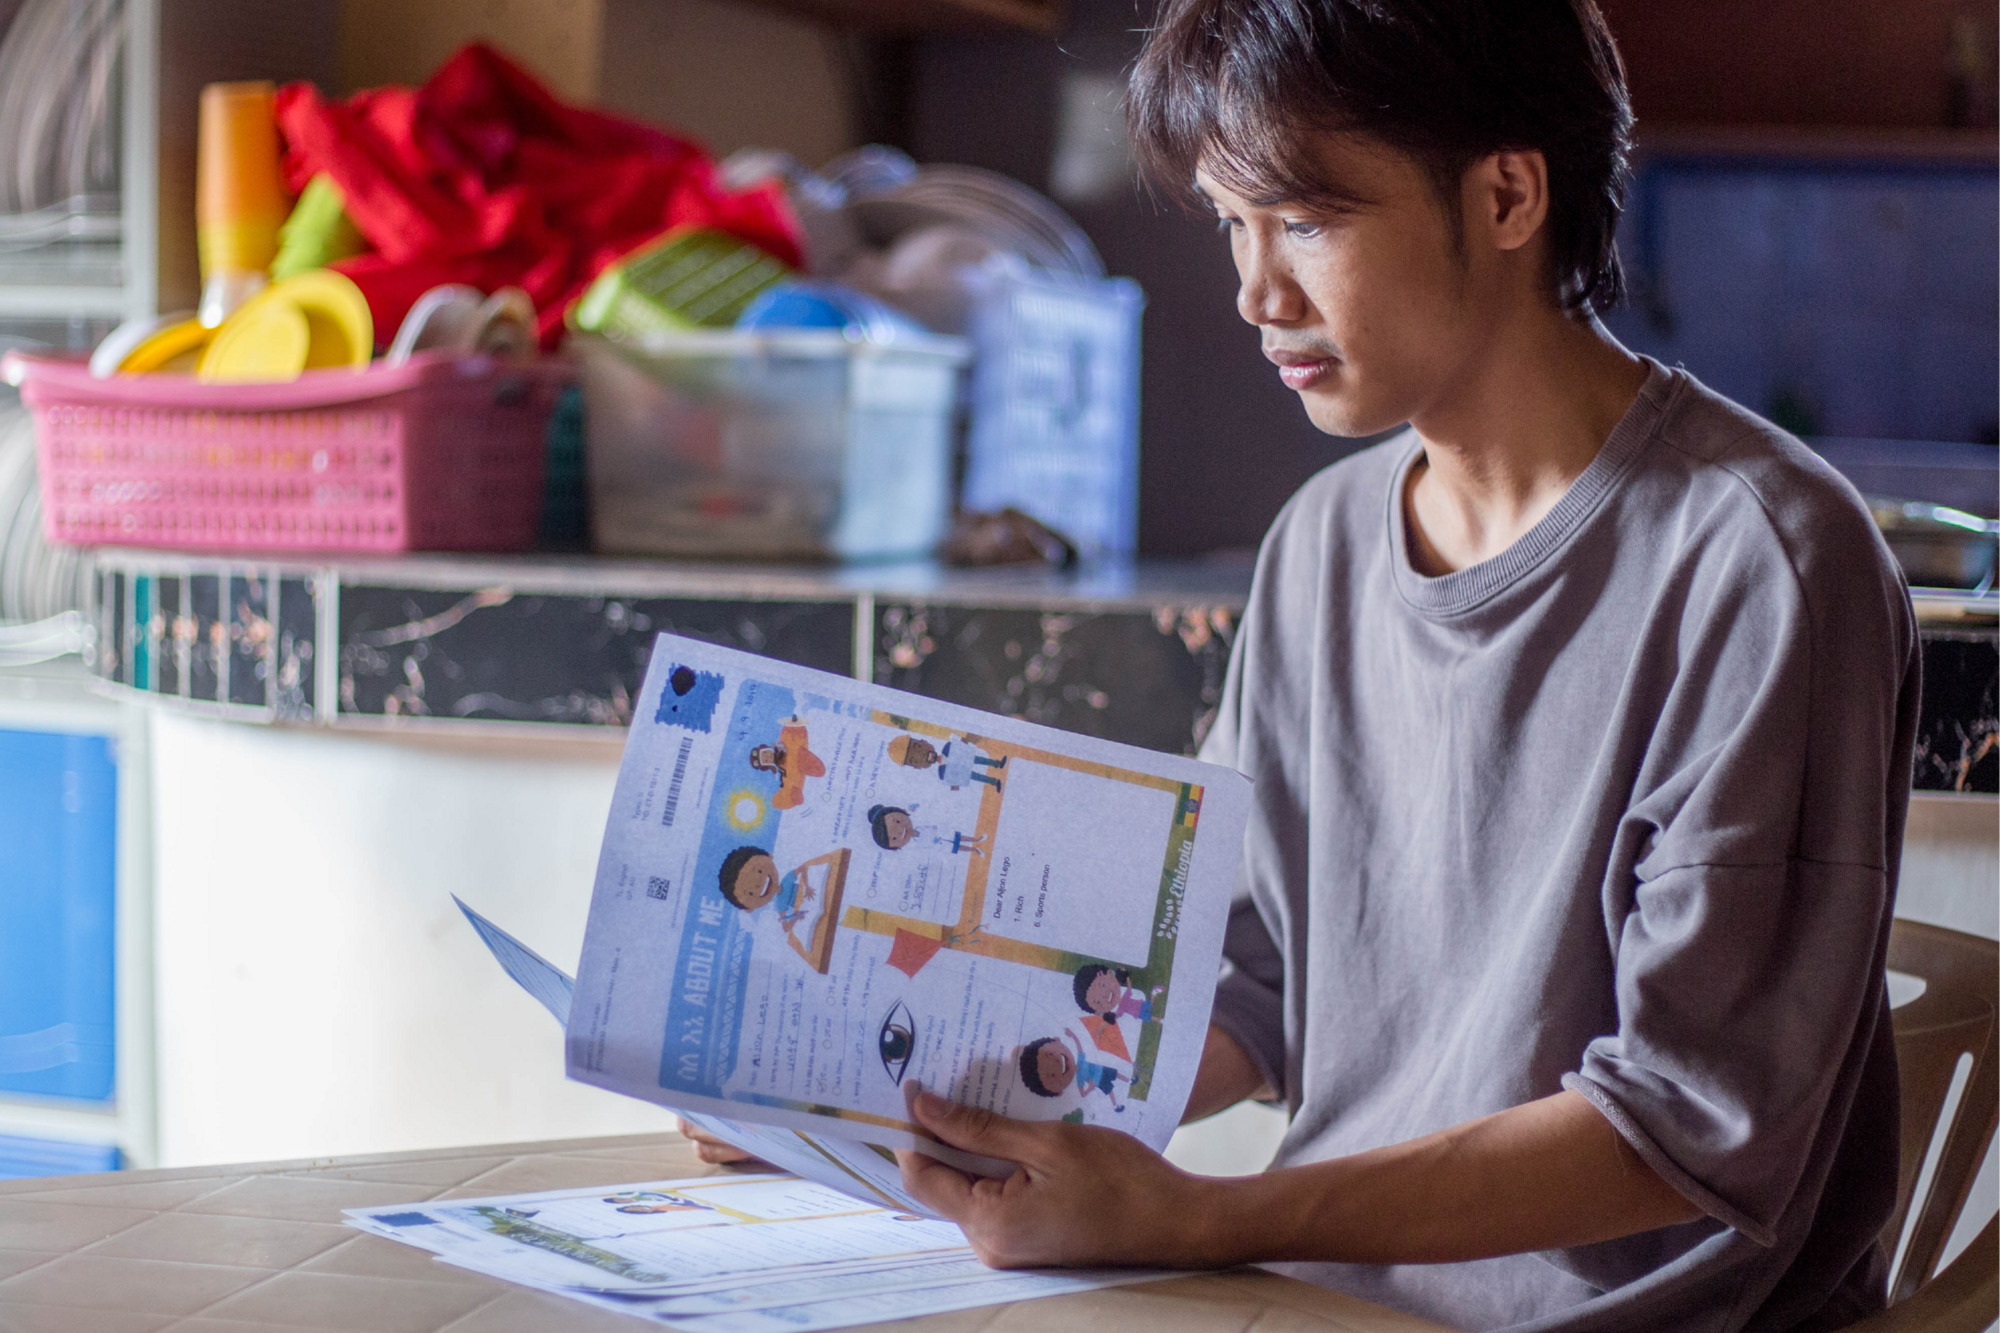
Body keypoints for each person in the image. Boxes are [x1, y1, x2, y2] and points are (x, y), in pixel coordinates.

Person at [877, 3, 1920, 1331]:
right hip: (1320, 1299)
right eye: (1230, 224)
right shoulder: (1321, 540)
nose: (1257, 291)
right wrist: (884, 1108)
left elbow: (1683, 1132)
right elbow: (1246, 984)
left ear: (1504, 195)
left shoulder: (1761, 557)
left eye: (1305, 220)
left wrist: (1204, 1216)